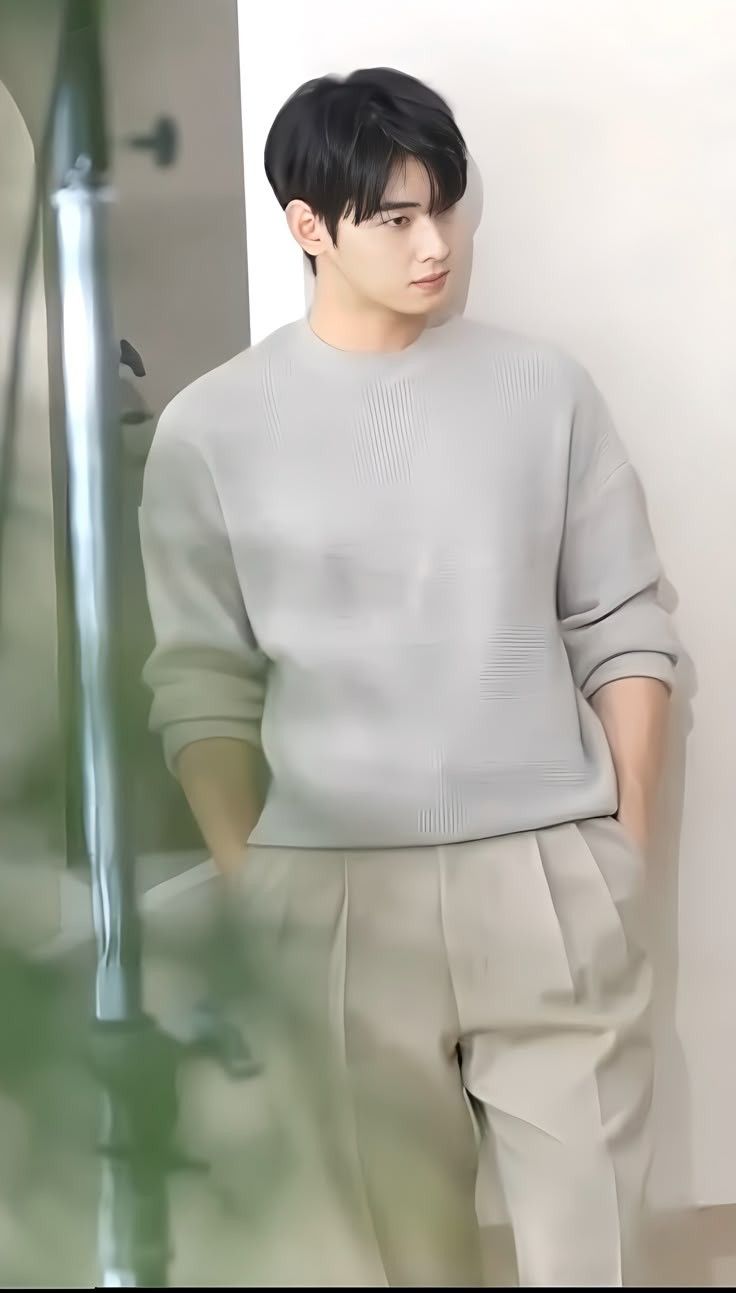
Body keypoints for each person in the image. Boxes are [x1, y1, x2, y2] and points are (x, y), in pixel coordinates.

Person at [138, 67, 680, 1287]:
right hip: (328, 893)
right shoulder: (210, 428)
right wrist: (254, 885)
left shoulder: (543, 389)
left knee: (598, 1259)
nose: (435, 245)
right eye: (393, 217)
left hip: (546, 873)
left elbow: (622, 622)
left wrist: (624, 851)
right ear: (308, 228)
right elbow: (201, 679)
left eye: (443, 207)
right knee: (384, 1266)